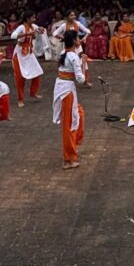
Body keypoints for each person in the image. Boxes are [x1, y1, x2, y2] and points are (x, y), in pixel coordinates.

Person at [53, 29, 86, 168]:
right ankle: (68, 159)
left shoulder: (64, 53)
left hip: (63, 88)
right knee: (69, 124)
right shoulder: (73, 57)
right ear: (73, 41)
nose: (79, 40)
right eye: (78, 38)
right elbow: (81, 79)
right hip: (67, 92)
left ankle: (74, 145)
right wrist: (83, 63)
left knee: (79, 114)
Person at [10, 15, 44, 106]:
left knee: (37, 71)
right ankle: (20, 99)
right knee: (20, 77)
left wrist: (41, 29)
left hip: (29, 53)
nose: (34, 19)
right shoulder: (21, 27)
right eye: (32, 18)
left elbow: (39, 30)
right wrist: (26, 34)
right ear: (27, 19)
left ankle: (33, 92)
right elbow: (13, 36)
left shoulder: (33, 26)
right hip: (19, 54)